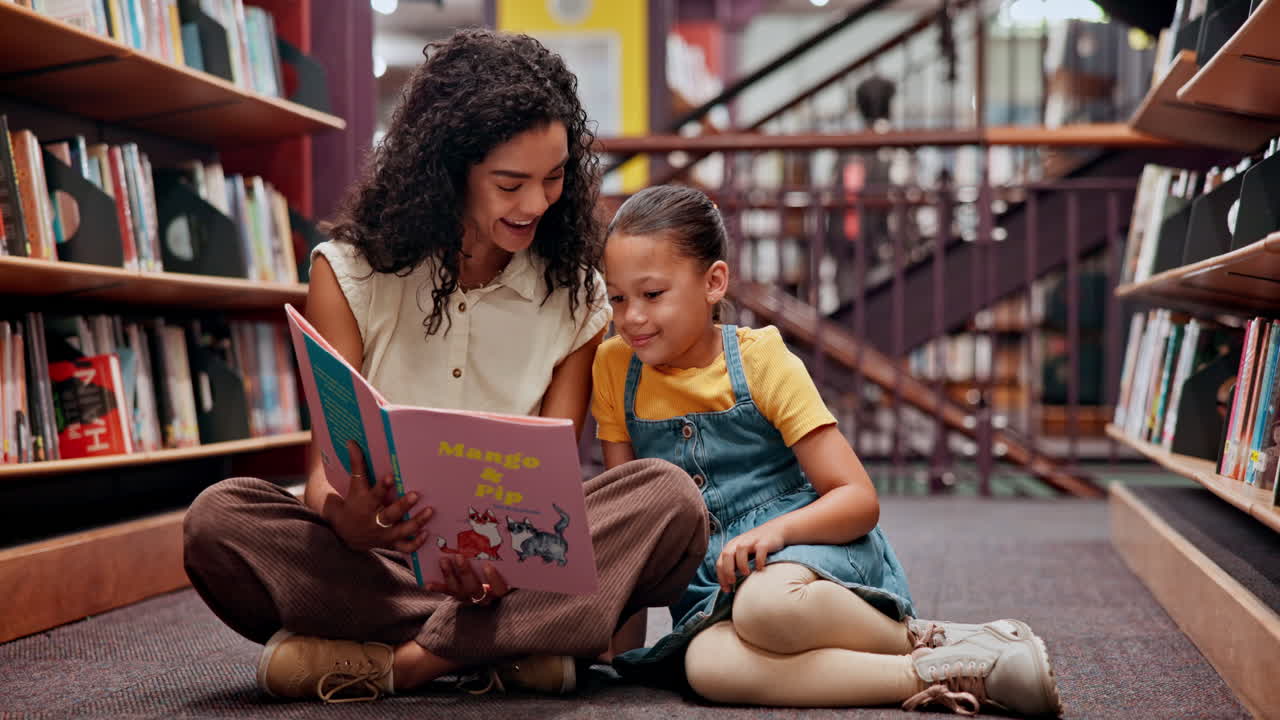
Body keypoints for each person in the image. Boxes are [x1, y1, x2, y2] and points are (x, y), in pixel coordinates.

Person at [182, 30, 709, 704]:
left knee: (667, 499)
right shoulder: (350, 273)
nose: (538, 204)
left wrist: (505, 559)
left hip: (514, 568)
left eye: (554, 179)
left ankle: (406, 664)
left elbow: (556, 482)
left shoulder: (577, 294)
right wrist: (346, 519)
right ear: (447, 169)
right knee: (219, 521)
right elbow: (323, 475)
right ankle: (517, 651)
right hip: (377, 562)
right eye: (510, 184)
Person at [591, 184, 1063, 717]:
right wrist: (611, 649)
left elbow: (858, 499)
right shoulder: (613, 368)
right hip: (711, 593)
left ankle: (922, 636)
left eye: (652, 295)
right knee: (705, 666)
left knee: (766, 608)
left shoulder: (764, 360)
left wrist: (776, 533)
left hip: (812, 556)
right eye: (618, 298)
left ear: (713, 282)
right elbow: (634, 528)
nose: (630, 317)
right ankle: (954, 670)